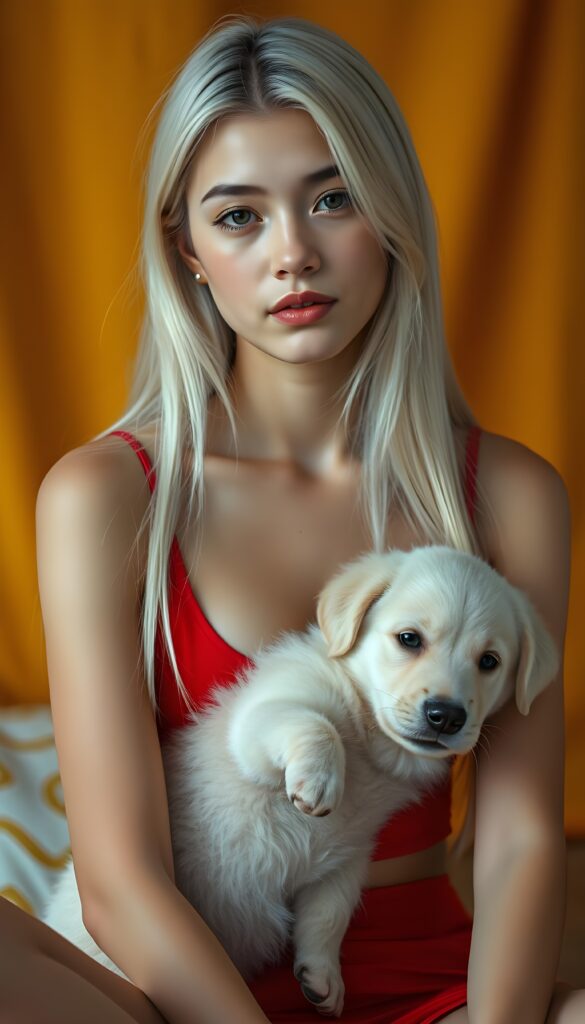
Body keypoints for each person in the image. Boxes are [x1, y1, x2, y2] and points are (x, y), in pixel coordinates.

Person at [1, 13, 582, 1024]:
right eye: (239, 216)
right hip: (173, 994)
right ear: (184, 245)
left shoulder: (510, 493)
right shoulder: (105, 496)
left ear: (394, 212)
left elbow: (522, 839)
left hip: (431, 985)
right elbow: (120, 880)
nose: (294, 254)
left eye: (334, 198)